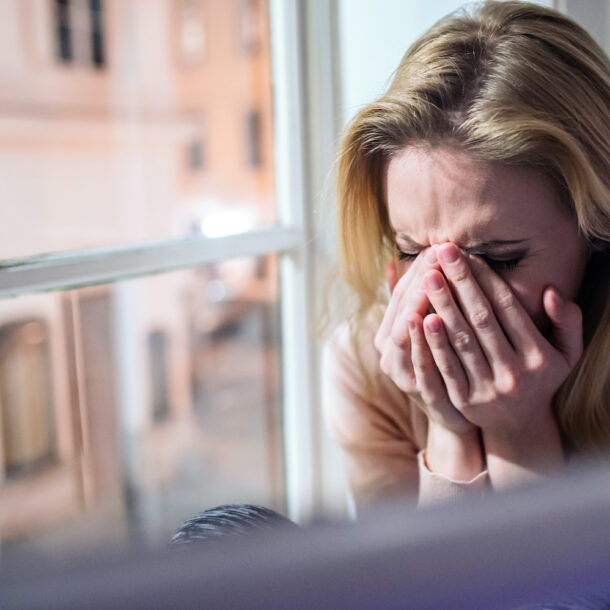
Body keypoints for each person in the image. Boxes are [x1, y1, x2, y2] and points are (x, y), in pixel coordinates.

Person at [323, 0, 610, 511]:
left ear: (598, 233)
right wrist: (449, 433)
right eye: (411, 250)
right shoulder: (366, 367)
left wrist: (521, 435)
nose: (441, 295)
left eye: (498, 260)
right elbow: (423, 591)